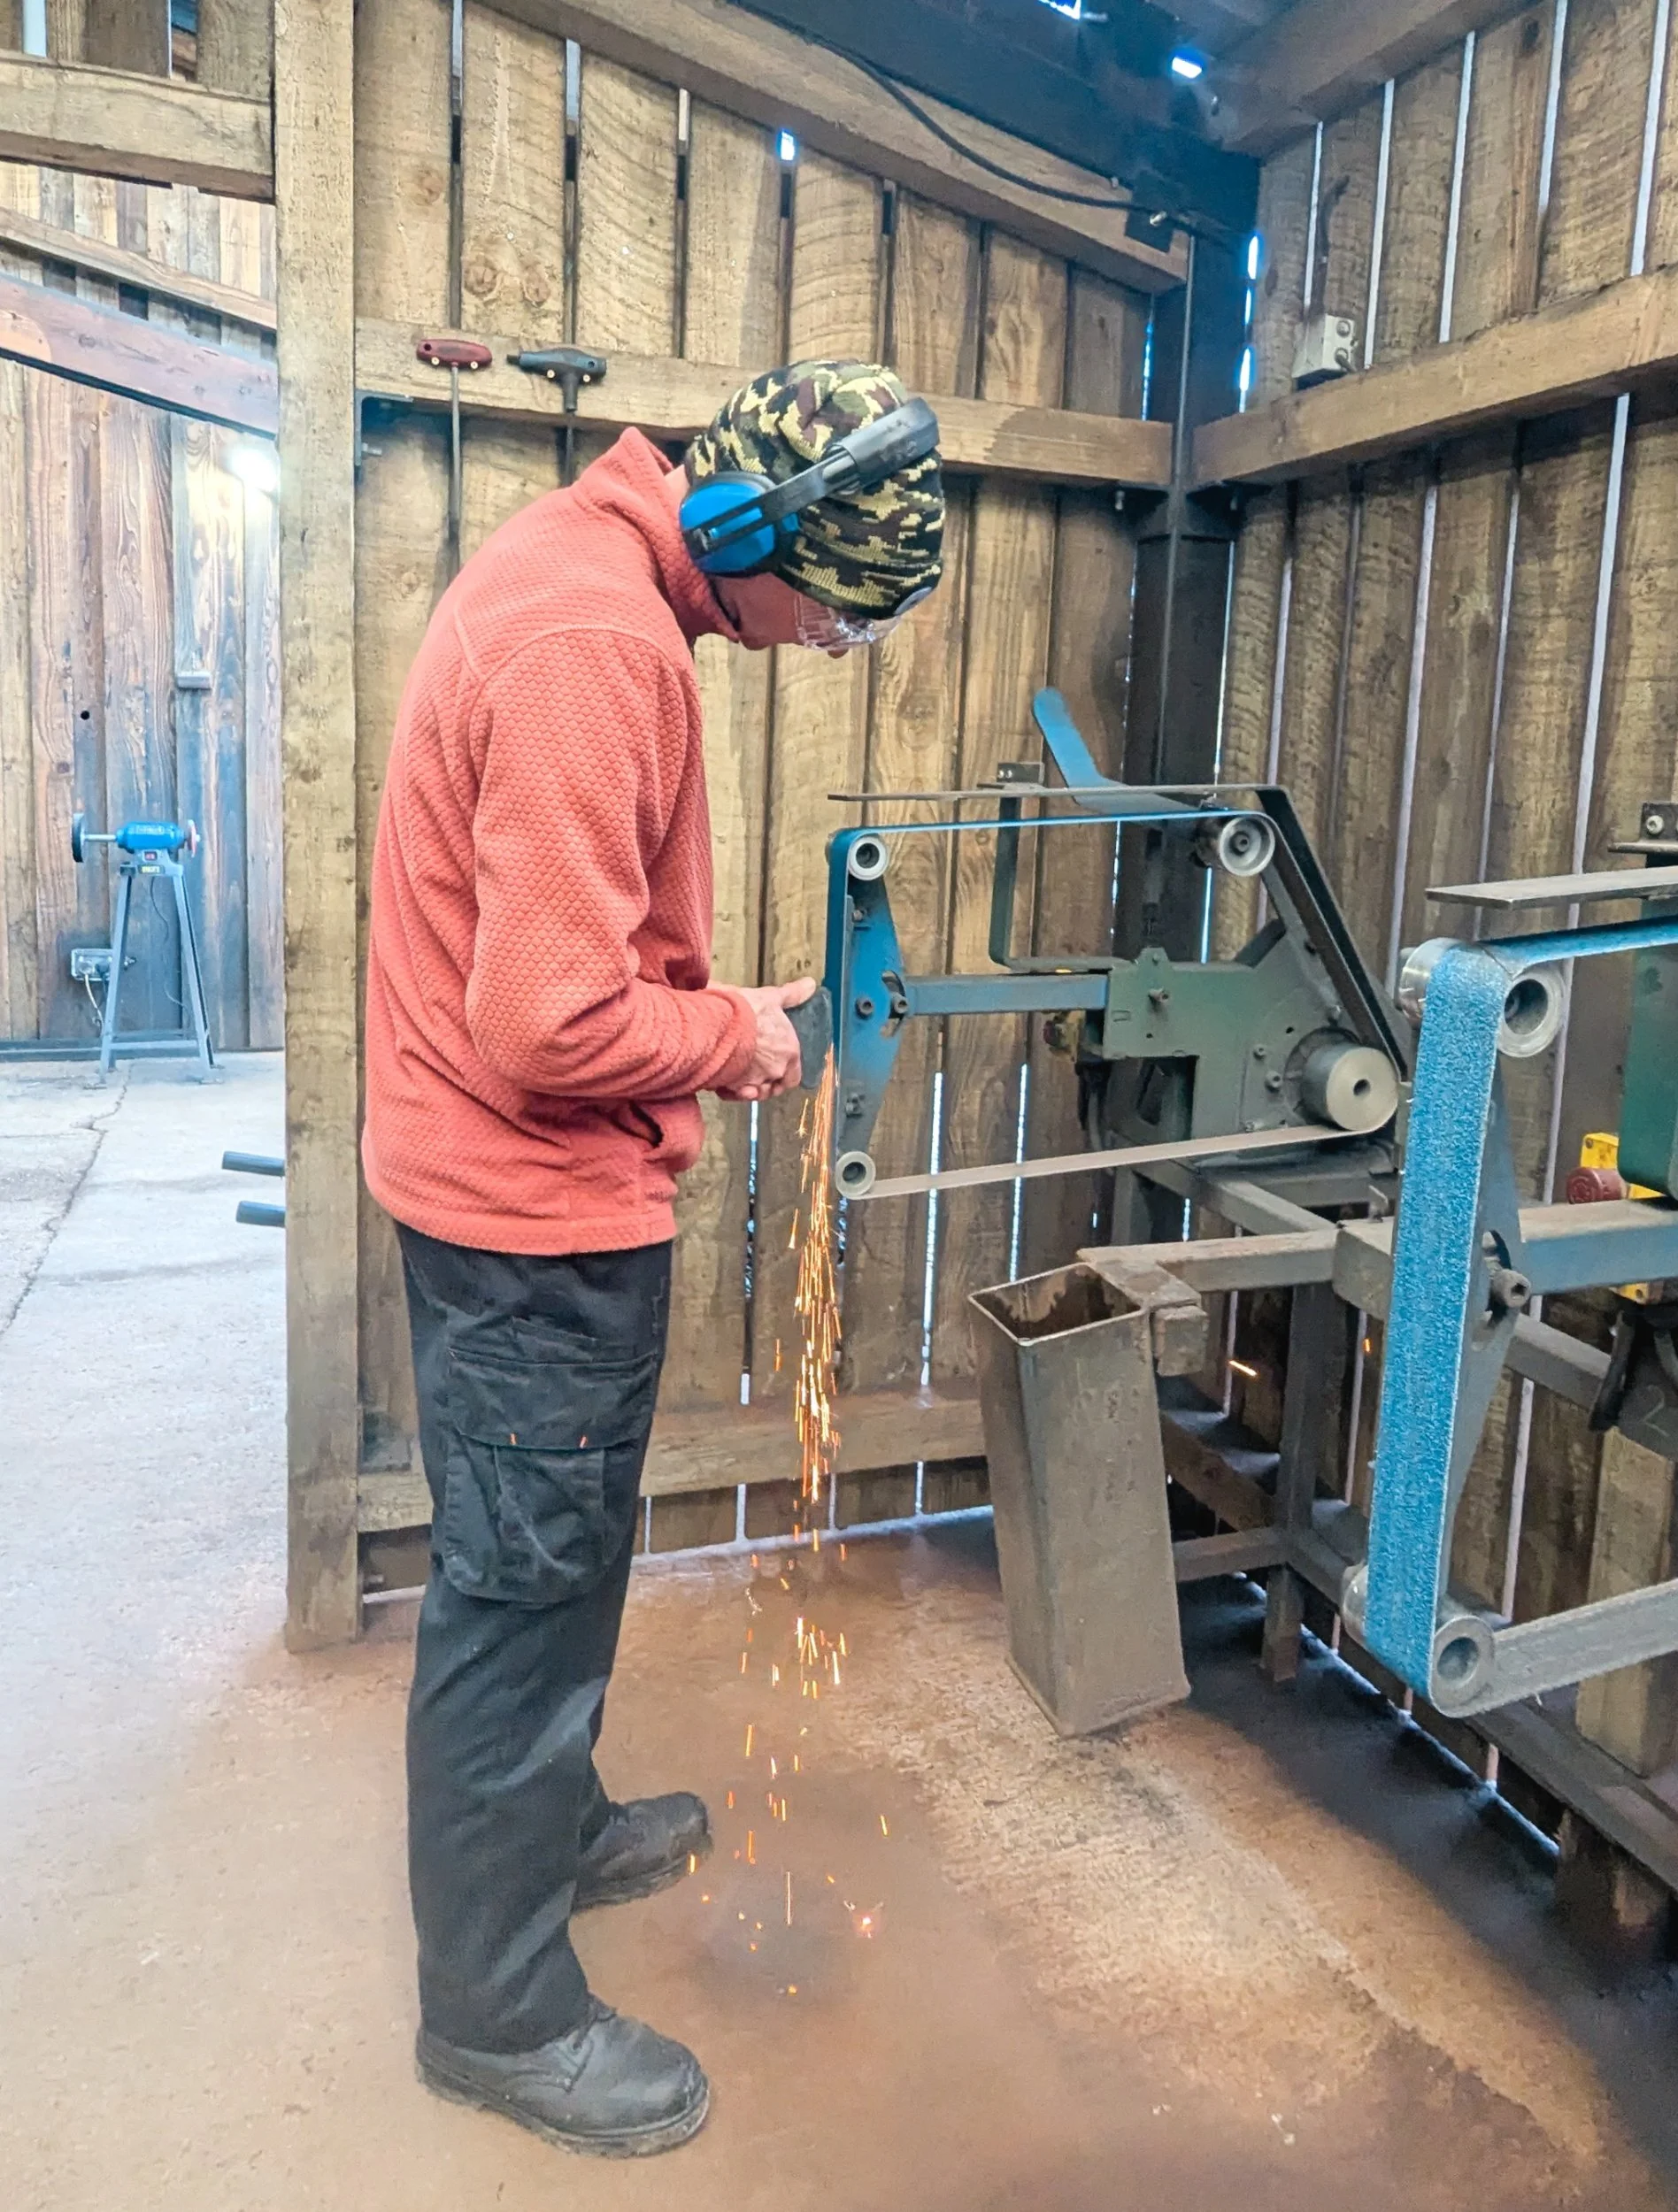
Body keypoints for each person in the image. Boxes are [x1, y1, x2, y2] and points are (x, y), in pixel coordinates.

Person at [361, 361, 944, 2157]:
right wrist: (737, 1045)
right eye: (831, 615)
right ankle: (498, 2008)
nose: (819, 647)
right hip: (525, 1208)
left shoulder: (586, 571)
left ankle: (551, 1827)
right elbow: (543, 1019)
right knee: (518, 1597)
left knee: (557, 1554)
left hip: (514, 1191)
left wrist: (708, 1009)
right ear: (748, 533)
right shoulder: (595, 647)